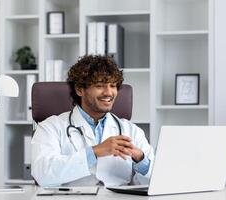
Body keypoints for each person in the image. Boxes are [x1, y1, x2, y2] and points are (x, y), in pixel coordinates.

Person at [31, 55, 154, 187]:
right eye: (100, 85)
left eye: (113, 85)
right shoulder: (51, 127)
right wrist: (94, 152)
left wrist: (141, 160)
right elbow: (42, 174)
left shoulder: (131, 131)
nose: (109, 92)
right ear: (79, 89)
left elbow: (155, 182)